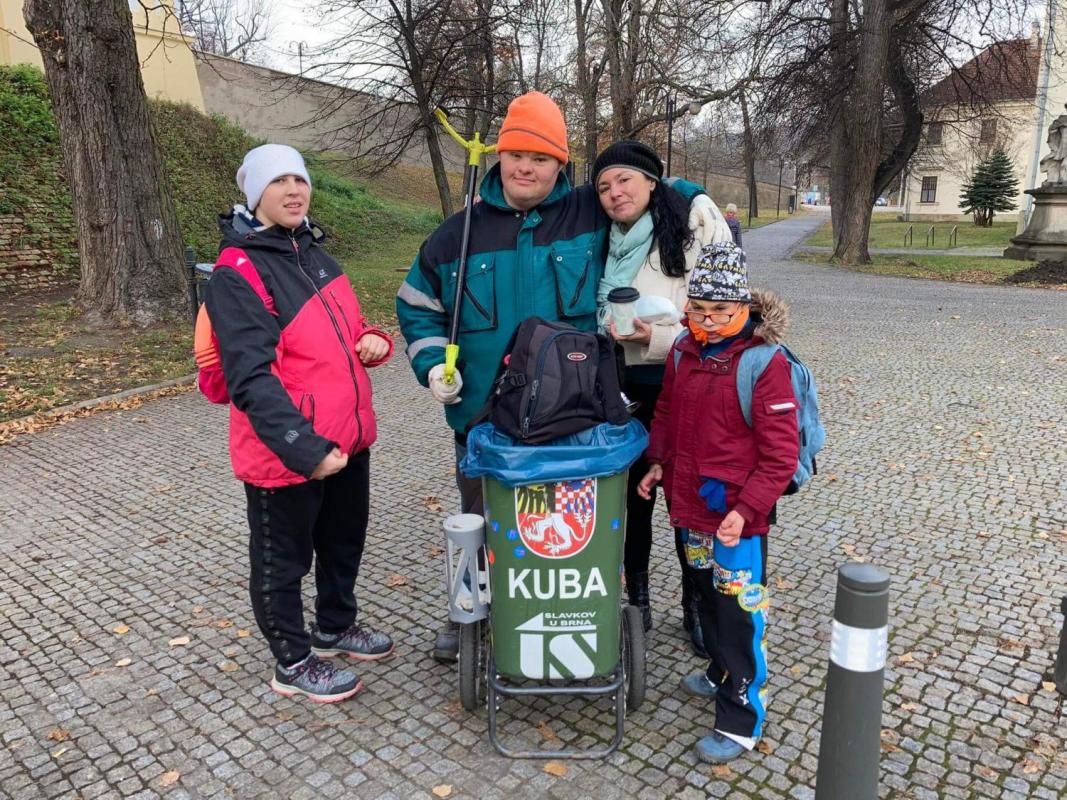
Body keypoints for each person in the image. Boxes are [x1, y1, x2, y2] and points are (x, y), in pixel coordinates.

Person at [396, 93, 708, 662]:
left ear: (559, 164)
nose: (525, 167)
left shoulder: (588, 211)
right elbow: (417, 306)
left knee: (567, 527)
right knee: (479, 519)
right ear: (499, 155)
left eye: (540, 158)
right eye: (516, 154)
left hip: (572, 413)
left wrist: (694, 195)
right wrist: (432, 363)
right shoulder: (456, 234)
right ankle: (470, 612)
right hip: (483, 415)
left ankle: (567, 616)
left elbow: (644, 185)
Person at [205, 144, 395, 704]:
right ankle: (292, 659)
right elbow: (249, 376)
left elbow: (352, 328)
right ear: (255, 194)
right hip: (286, 453)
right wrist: (303, 447)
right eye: (279, 181)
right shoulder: (237, 272)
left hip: (345, 441)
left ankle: (335, 626)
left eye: (300, 179)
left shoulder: (316, 256)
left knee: (342, 543)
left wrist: (373, 339)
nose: (293, 190)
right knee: (281, 563)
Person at [638, 242, 798, 763]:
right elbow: (666, 412)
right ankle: (719, 669)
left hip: (736, 520)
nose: (707, 321)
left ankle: (741, 718)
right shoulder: (683, 350)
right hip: (691, 507)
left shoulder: (764, 362)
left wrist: (746, 511)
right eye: (699, 310)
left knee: (738, 616)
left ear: (743, 308)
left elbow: (780, 455)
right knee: (706, 595)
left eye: (720, 311)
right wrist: (657, 461)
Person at [592, 139, 732, 652]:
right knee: (632, 499)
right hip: (621, 387)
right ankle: (638, 601)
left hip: (685, 386)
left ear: (652, 182)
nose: (614, 193)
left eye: (624, 180)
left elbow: (722, 318)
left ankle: (696, 604)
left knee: (686, 502)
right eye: (604, 186)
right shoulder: (603, 240)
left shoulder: (691, 227)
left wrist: (654, 337)